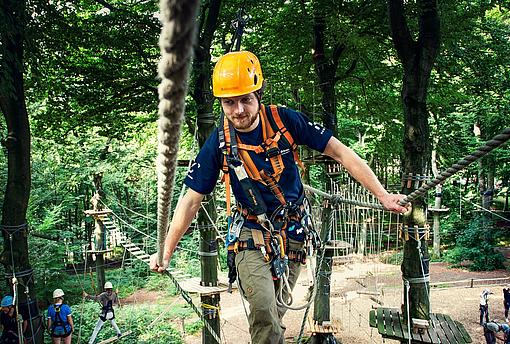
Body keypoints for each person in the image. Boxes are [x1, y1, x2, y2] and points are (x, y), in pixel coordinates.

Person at [150, 50, 408, 344]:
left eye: (246, 99)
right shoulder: (218, 144)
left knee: (275, 315)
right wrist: (166, 251)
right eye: (229, 103)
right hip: (250, 231)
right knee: (263, 310)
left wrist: (383, 196)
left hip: (294, 229)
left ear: (258, 94)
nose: (238, 111)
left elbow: (340, 152)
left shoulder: (285, 120)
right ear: (221, 103)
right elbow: (191, 201)